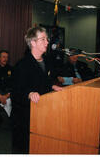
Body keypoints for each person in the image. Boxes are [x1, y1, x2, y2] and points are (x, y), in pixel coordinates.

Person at [10, 26, 62, 154]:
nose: (47, 42)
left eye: (47, 39)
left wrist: (52, 86)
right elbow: (15, 92)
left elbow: (45, 82)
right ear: (33, 43)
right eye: (43, 39)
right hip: (25, 119)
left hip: (44, 115)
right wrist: (29, 93)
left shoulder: (47, 61)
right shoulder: (22, 65)